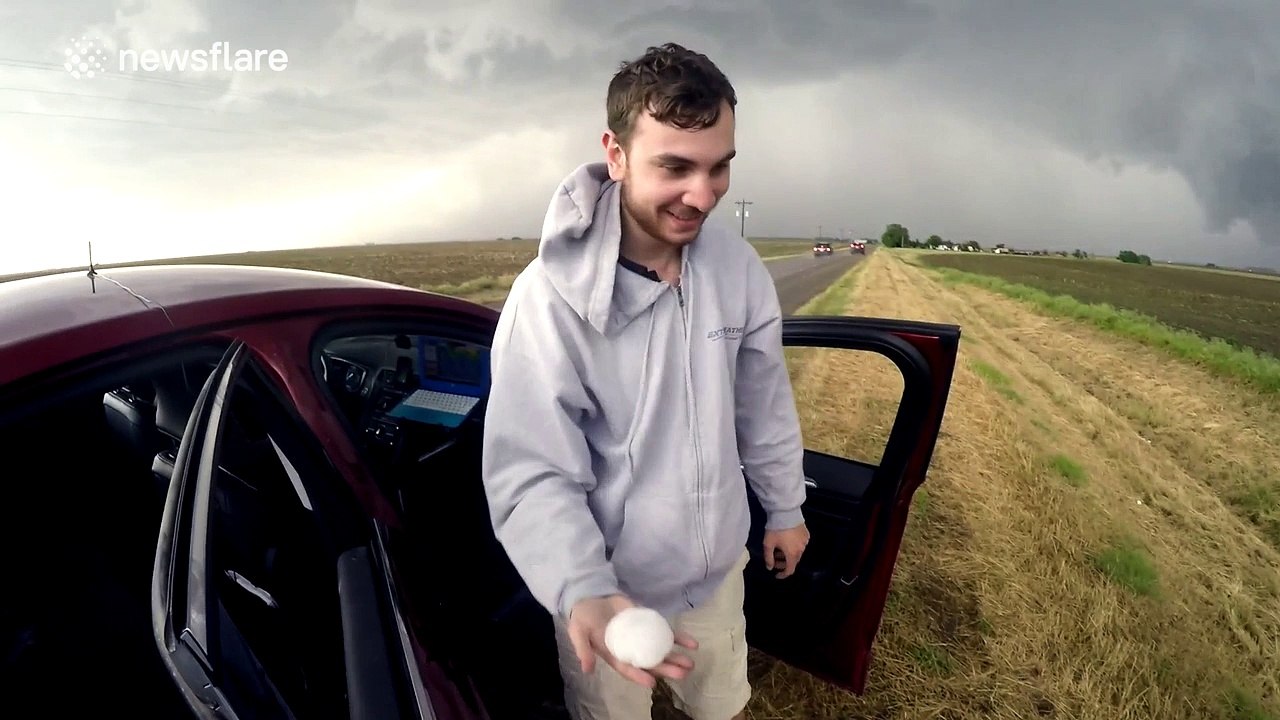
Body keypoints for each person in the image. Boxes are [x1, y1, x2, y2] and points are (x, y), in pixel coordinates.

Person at [481, 42, 810, 720]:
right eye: (676, 167)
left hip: (716, 580)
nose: (703, 194)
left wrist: (784, 508)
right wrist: (584, 588)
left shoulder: (738, 267)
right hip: (609, 595)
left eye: (720, 169)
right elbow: (532, 470)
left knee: (718, 710)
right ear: (617, 153)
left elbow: (763, 403)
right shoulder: (546, 301)